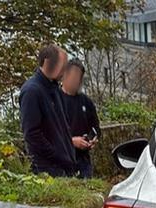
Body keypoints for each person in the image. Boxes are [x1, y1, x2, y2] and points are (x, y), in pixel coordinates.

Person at [19, 44, 76, 177]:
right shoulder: (32, 91)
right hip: (47, 169)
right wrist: (56, 155)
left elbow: (61, 126)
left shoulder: (54, 88)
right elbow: (32, 134)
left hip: (64, 166)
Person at [61, 59, 101, 179]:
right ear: (65, 75)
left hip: (83, 160)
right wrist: (71, 141)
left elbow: (96, 128)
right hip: (62, 159)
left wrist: (93, 139)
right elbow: (49, 133)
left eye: (80, 78)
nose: (77, 81)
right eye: (74, 77)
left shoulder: (86, 102)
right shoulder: (55, 100)